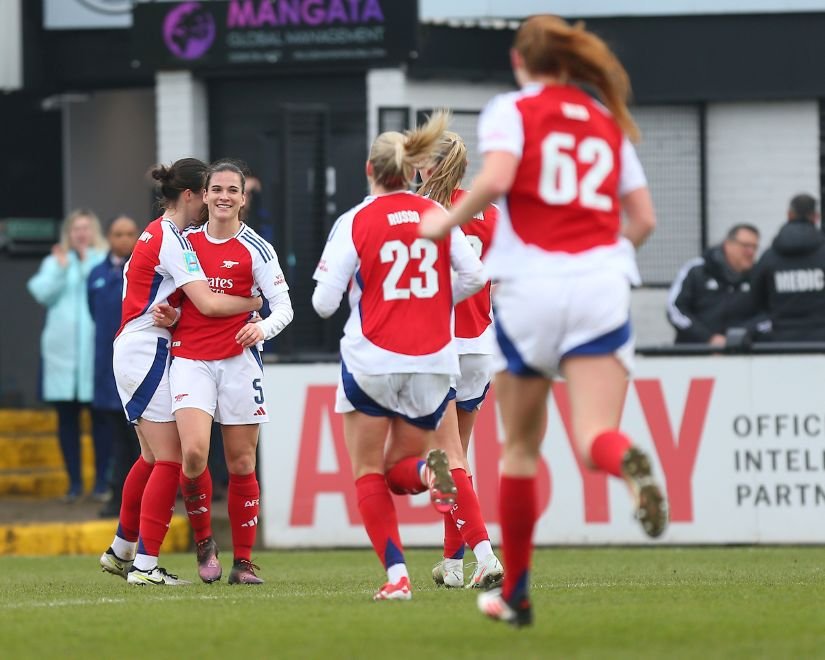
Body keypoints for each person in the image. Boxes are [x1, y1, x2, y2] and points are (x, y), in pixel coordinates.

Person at [419, 15, 667, 627]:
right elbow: (644, 220)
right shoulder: (607, 119)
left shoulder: (513, 109)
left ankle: (517, 595)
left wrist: (442, 223)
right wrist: (604, 255)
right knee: (591, 436)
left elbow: (498, 180)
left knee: (521, 451)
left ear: (518, 60)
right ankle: (623, 454)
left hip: (532, 289)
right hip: (601, 285)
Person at [312, 111, 486, 601]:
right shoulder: (438, 215)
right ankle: (432, 474)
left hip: (372, 361)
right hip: (431, 361)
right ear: (412, 171)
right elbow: (474, 278)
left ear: (369, 171)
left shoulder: (355, 220)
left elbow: (324, 303)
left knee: (369, 471)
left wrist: (379, 297)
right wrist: (430, 305)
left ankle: (397, 578)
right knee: (399, 471)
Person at [98, 158, 262, 586]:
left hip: (138, 347)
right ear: (191, 195)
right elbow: (207, 303)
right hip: (146, 350)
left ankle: (121, 550)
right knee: (171, 459)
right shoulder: (172, 238)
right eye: (207, 191)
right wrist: (252, 304)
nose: (212, 201)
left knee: (152, 457)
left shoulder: (159, 232)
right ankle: (146, 566)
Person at [157, 160, 293, 585]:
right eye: (216, 189)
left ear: (242, 198)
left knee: (241, 461)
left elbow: (284, 307)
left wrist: (262, 327)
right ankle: (204, 542)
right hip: (191, 358)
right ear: (204, 194)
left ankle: (244, 562)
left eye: (232, 190)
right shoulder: (185, 242)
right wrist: (169, 313)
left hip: (238, 362)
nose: (223, 197)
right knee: (194, 453)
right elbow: (171, 297)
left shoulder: (257, 248)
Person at [417, 131, 504, 590]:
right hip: (478, 344)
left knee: (445, 459)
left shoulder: (414, 212)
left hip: (435, 344)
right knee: (457, 459)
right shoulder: (486, 210)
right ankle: (452, 566)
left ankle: (485, 555)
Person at [27, 209, 108, 502]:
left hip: (94, 354)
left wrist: (85, 264)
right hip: (62, 357)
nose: (81, 234)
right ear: (69, 232)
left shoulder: (102, 259)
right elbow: (40, 293)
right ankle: (74, 483)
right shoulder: (56, 261)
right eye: (76, 229)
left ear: (94, 231)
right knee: (67, 422)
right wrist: (62, 270)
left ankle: (101, 483)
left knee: (101, 421)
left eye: (86, 228)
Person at [88, 215, 141, 518]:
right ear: (109, 237)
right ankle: (116, 497)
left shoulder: (143, 272)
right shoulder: (96, 274)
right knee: (114, 440)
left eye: (129, 234)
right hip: (106, 370)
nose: (124, 239)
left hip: (135, 368)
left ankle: (139, 503)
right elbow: (93, 312)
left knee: (138, 442)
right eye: (118, 234)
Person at [667, 224, 762, 346]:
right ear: (728, 244)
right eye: (746, 246)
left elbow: (767, 315)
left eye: (754, 247)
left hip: (741, 356)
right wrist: (707, 338)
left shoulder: (758, 275)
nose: (751, 252)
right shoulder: (696, 270)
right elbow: (675, 308)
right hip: (693, 354)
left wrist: (738, 337)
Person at [748, 193, 825, 341]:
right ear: (816, 217)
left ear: (789, 215)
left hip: (780, 341)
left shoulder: (769, 256)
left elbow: (755, 298)